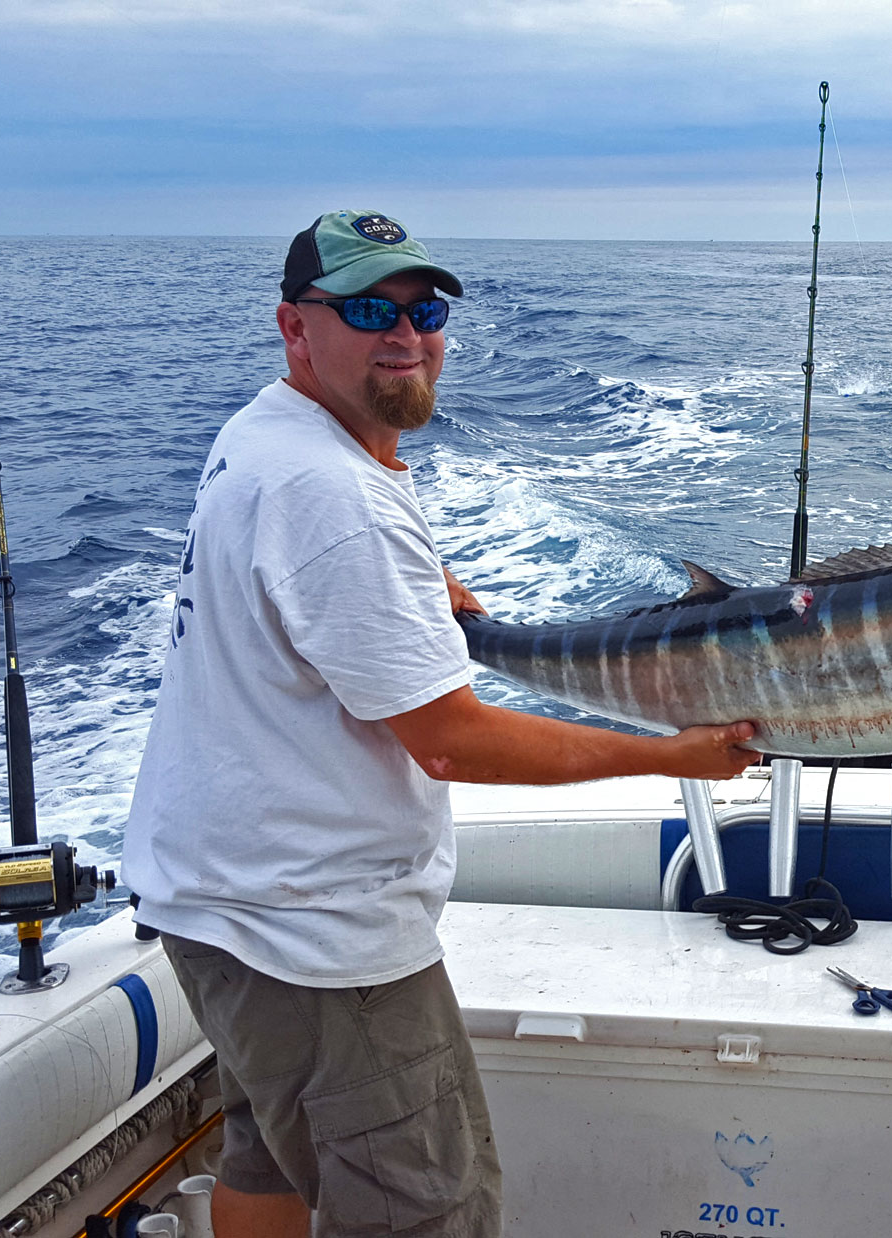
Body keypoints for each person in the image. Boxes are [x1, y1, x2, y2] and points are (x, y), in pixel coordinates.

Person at [121, 210, 758, 1238]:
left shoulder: (266, 435)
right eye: (369, 311)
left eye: (425, 312)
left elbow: (308, 593)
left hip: (219, 906)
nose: (407, 336)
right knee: (433, 1208)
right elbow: (452, 741)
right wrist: (668, 754)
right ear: (294, 326)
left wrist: (406, 596)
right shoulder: (332, 494)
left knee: (264, 1157)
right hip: (317, 940)